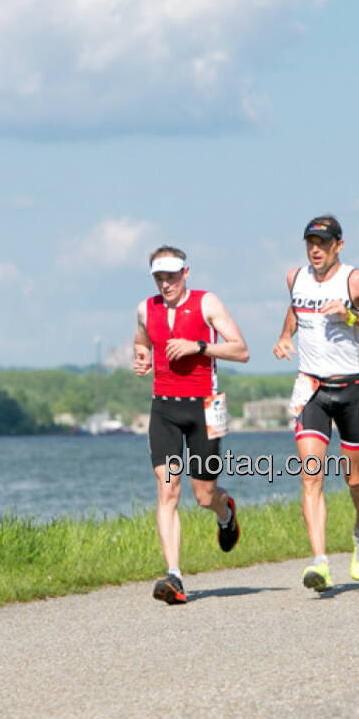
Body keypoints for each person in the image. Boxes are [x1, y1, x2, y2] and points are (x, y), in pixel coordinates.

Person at [272, 215, 359, 592]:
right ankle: (320, 563)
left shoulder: (354, 280)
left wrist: (350, 315)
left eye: (323, 243)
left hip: (352, 391)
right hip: (311, 388)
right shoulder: (295, 278)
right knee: (311, 476)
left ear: (338, 246)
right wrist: (284, 337)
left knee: (354, 478)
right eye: (310, 242)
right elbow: (296, 309)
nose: (315, 249)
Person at [134, 245, 249, 604]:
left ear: (186, 273)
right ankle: (174, 576)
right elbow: (141, 341)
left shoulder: (207, 303)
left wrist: (198, 346)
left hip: (207, 407)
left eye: (171, 276)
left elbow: (241, 350)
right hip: (164, 407)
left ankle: (225, 510)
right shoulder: (145, 308)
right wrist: (141, 358)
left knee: (203, 496)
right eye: (159, 277)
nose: (165, 284)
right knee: (167, 488)